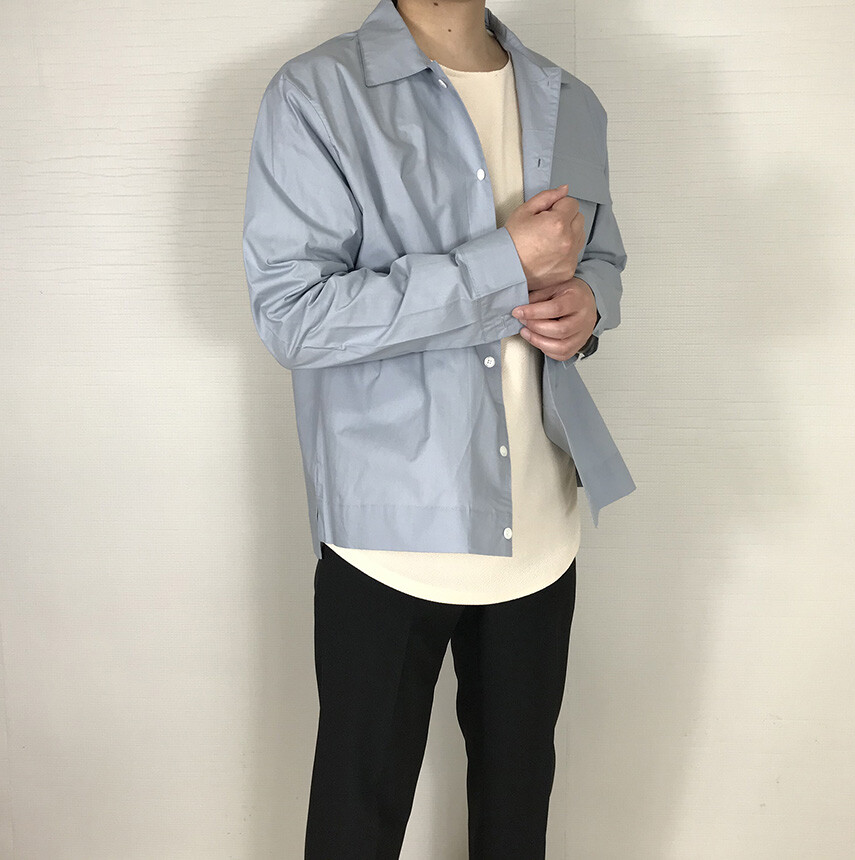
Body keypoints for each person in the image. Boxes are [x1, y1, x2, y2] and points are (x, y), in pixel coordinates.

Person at [242, 0, 634, 856]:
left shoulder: (570, 100)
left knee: (516, 827)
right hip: (389, 535)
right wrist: (502, 263)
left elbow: (601, 256)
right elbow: (295, 317)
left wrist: (590, 303)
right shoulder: (317, 94)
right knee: (356, 829)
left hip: (542, 529)